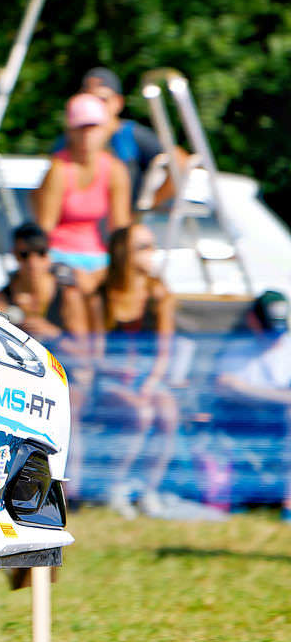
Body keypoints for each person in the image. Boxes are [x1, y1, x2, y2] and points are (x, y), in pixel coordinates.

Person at [89, 222, 183, 517]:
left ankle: (148, 490)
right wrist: (118, 371)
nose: (152, 253)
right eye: (144, 247)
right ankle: (115, 487)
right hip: (111, 377)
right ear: (124, 253)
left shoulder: (159, 295)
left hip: (149, 375)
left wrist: (150, 383)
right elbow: (96, 355)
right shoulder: (102, 297)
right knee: (141, 414)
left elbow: (164, 352)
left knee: (167, 414)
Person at [54, 67, 186, 210]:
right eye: (88, 99)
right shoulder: (68, 139)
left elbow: (181, 162)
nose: (94, 105)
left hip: (122, 219)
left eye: (102, 99)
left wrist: (151, 203)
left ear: (118, 102)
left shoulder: (132, 135)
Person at [35, 93, 130, 282]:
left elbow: (120, 228)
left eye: (93, 127)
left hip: (98, 257)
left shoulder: (115, 169)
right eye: (81, 128)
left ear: (104, 130)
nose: (87, 135)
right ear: (70, 132)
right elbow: (45, 227)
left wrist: (121, 265)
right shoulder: (59, 169)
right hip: (59, 254)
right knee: (74, 289)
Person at [213, 290, 291, 521]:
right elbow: (223, 388)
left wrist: (246, 389)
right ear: (252, 321)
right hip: (240, 423)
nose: (274, 336)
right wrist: (277, 396)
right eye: (268, 328)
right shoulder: (237, 352)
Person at [0, 223, 71, 341]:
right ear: (15, 254)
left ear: (49, 254)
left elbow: (85, 348)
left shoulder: (68, 295)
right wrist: (18, 331)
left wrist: (54, 334)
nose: (33, 262)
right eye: (25, 255)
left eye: (40, 253)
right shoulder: (1, 299)